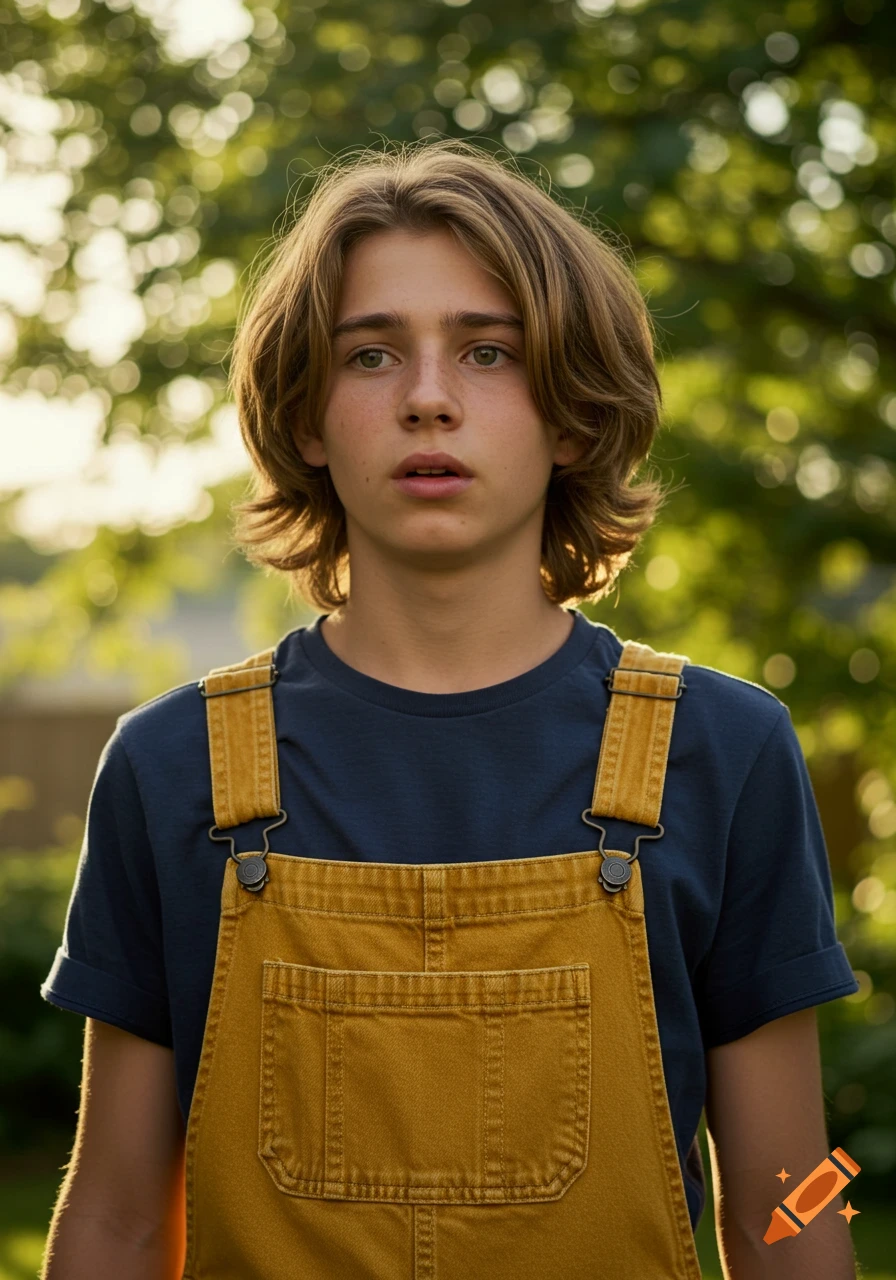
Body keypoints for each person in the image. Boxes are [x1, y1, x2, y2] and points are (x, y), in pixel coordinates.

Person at [39, 138, 859, 1279]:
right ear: (308, 419)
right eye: (371, 355)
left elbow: (790, 1199)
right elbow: (117, 1221)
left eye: (488, 352)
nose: (428, 400)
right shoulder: (170, 764)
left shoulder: (724, 749)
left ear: (571, 416)